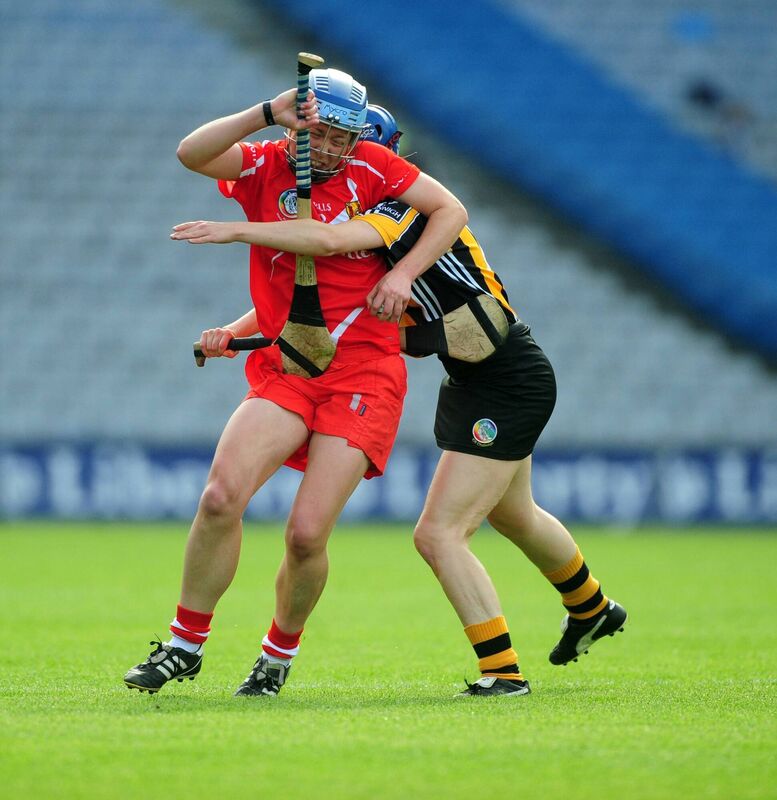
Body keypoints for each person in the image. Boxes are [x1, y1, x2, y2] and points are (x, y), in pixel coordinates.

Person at [170, 105, 628, 698]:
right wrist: (240, 332)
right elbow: (322, 306)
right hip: (474, 380)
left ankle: (503, 672)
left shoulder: (395, 214)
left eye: (351, 152)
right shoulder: (378, 221)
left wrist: (237, 232)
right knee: (515, 515)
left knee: (437, 534)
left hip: (506, 380)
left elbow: (334, 248)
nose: (336, 167)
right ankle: (592, 608)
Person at [123, 71, 468, 697]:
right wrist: (263, 112)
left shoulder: (380, 180)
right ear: (302, 124)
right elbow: (192, 154)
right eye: (327, 135)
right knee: (221, 496)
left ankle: (277, 654)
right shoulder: (268, 163)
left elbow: (343, 241)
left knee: (307, 534)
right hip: (293, 365)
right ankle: (183, 643)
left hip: (364, 373)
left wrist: (402, 274)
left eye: (348, 137)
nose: (337, 149)